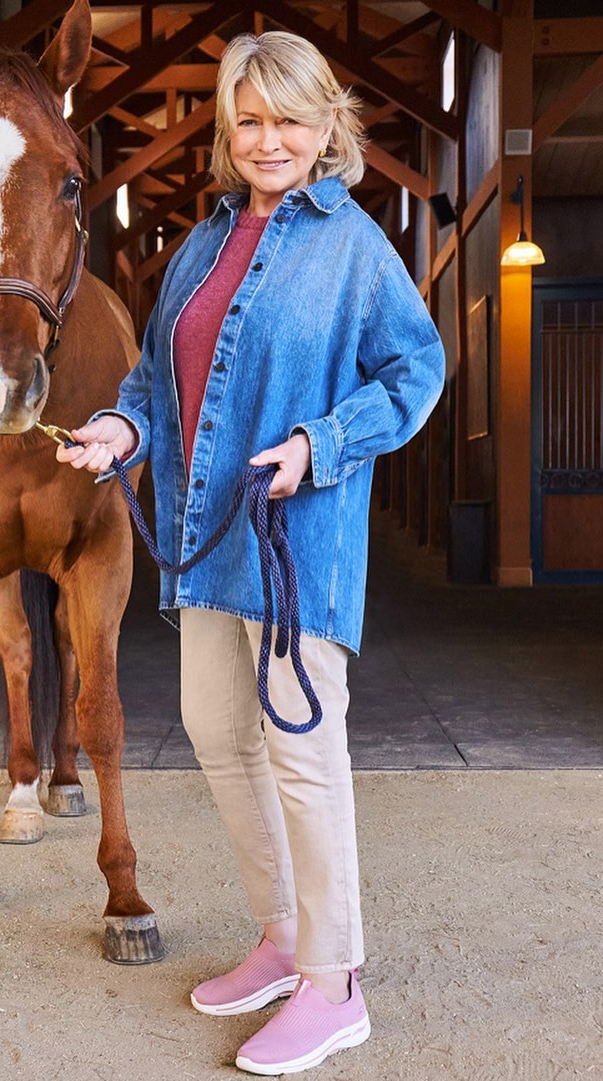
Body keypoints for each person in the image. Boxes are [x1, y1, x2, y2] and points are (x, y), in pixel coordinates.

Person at [57, 30, 445, 1076]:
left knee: (305, 758)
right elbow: (153, 382)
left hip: (291, 546)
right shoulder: (202, 239)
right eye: (250, 119)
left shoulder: (353, 244)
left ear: (328, 127)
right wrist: (120, 431)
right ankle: (283, 937)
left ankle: (336, 982)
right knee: (215, 730)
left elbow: (417, 370)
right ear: (230, 131)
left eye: (289, 118)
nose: (268, 138)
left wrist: (321, 444)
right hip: (203, 542)